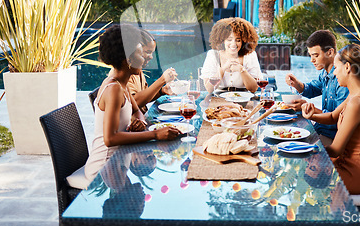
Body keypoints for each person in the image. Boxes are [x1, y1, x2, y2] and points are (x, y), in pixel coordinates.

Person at [84, 24, 181, 183]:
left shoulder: (122, 82)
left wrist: (140, 121)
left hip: (121, 157)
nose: (144, 58)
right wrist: (156, 134)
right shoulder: (114, 89)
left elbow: (137, 110)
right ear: (128, 60)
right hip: (104, 167)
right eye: (140, 54)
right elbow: (110, 139)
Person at [302, 44, 360, 195]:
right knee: (314, 171)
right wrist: (311, 115)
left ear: (347, 68)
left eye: (336, 68)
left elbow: (336, 149)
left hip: (358, 175)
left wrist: (305, 149)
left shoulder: (356, 102)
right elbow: (332, 116)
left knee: (312, 185)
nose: (334, 73)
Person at [285, 30, 349, 144]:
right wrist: (296, 84)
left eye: (316, 55)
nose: (312, 60)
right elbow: (312, 89)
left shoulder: (342, 80)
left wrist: (310, 109)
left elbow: (338, 119)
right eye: (310, 56)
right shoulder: (325, 73)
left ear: (330, 52)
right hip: (320, 129)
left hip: (332, 137)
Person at [201, 17, 262, 93]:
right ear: (222, 40)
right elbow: (209, 89)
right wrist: (223, 69)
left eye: (238, 40)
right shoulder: (213, 55)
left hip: (244, 98)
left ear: (244, 41)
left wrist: (242, 70)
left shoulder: (250, 55)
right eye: (229, 39)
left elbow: (253, 89)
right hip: (219, 99)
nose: (233, 44)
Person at [125, 29, 177, 111]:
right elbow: (135, 102)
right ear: (136, 50)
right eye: (148, 52)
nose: (151, 57)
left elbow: (145, 98)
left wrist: (161, 91)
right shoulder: (124, 74)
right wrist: (162, 80)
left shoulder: (138, 70)